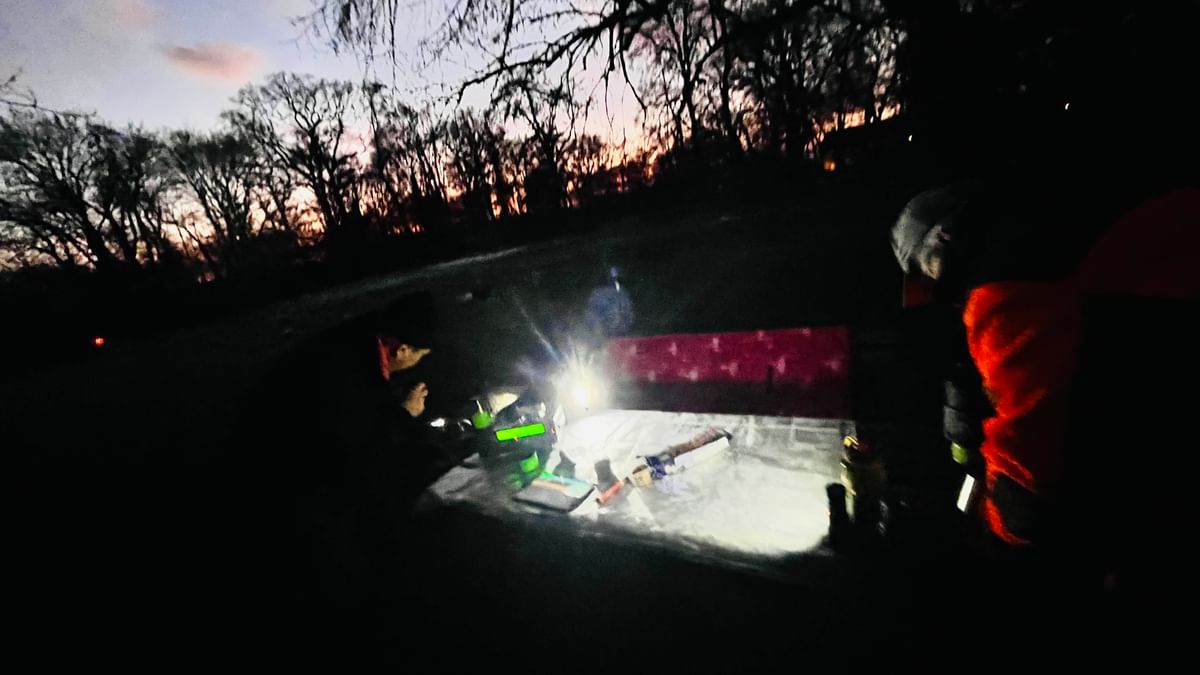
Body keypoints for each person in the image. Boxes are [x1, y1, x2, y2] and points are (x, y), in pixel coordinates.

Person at [891, 183, 1198, 581]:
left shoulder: (1002, 285)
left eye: (925, 270)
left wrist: (990, 532)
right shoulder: (1039, 218)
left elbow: (1026, 469)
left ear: (942, 239)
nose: (932, 288)